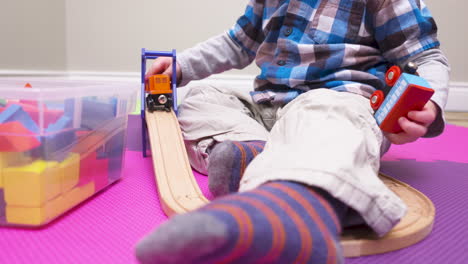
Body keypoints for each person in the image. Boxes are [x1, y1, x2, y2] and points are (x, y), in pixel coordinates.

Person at [136, 0, 450, 263]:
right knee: (202, 98)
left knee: (331, 114)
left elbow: (425, 57)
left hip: (337, 105)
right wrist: (182, 66)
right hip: (267, 110)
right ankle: (251, 152)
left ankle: (301, 204)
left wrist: (430, 103)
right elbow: (236, 43)